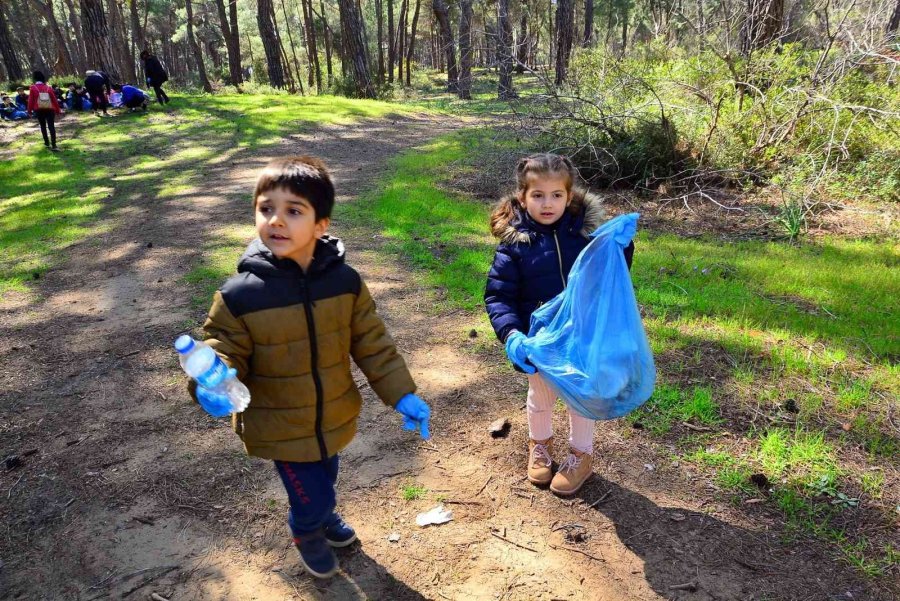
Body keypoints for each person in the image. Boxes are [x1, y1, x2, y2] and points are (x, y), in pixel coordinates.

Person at [190, 156, 432, 579]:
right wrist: (214, 379)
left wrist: (401, 392)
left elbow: (372, 341)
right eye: (266, 209)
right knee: (310, 492)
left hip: (331, 414)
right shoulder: (241, 295)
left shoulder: (345, 282)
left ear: (321, 224)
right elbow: (221, 347)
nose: (276, 220)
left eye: (293, 211)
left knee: (327, 474)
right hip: (279, 423)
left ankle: (321, 514)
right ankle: (307, 529)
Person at [484, 153, 635, 497]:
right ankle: (539, 446)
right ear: (522, 197)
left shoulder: (586, 234)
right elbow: (499, 296)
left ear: (570, 197)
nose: (547, 203)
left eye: (557, 195)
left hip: (581, 335)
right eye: (538, 196)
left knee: (580, 397)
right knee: (540, 396)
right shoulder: (515, 246)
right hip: (538, 341)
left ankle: (581, 456)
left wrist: (622, 247)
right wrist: (512, 335)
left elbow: (611, 270)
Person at [26, 71, 62, 151]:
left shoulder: (33, 88)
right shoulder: (48, 87)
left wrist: (29, 111)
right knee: (51, 126)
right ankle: (54, 145)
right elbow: (54, 99)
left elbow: (30, 100)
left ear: (35, 78)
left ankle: (46, 143)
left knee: (43, 126)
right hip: (49, 109)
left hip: (39, 109)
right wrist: (58, 110)